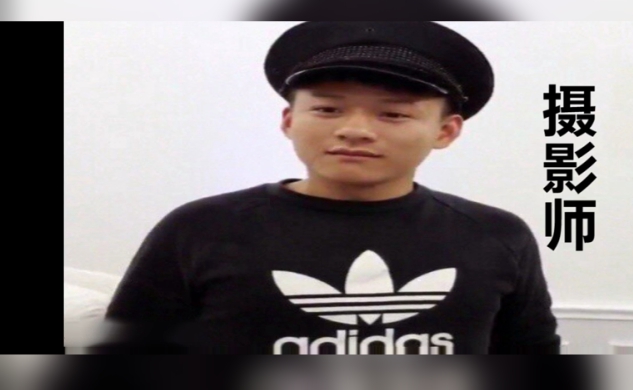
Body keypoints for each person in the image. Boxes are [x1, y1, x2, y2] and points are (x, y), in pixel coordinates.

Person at [93, 21, 560, 354]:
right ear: (289, 120)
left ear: (446, 131)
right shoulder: (200, 228)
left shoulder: (496, 234)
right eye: (328, 109)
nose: (355, 130)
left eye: (393, 113)